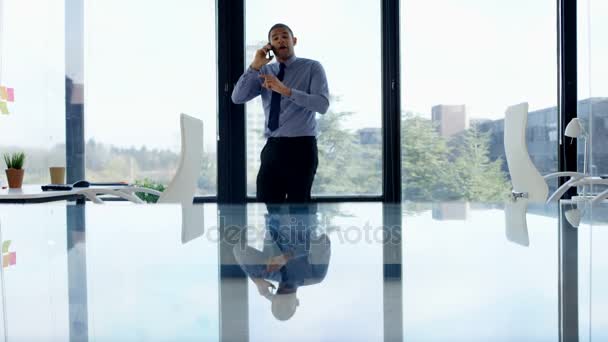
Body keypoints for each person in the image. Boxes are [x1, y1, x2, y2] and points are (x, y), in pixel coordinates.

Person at [231, 23, 330, 204]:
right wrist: (254, 66)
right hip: (273, 148)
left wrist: (285, 90)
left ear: (294, 40)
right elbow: (237, 97)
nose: (280, 40)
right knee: (267, 207)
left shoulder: (312, 67)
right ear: (270, 46)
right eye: (275, 38)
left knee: (298, 210)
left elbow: (322, 105)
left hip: (302, 147)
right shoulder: (264, 71)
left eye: (284, 36)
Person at [233, 204, 331, 321]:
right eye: (287, 294)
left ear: (274, 296)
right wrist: (287, 257)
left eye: (280, 293)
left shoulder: (267, 272)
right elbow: (324, 241)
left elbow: (238, 250)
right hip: (302, 209)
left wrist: (257, 281)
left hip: (274, 208)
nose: (285, 287)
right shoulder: (314, 277)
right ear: (296, 302)